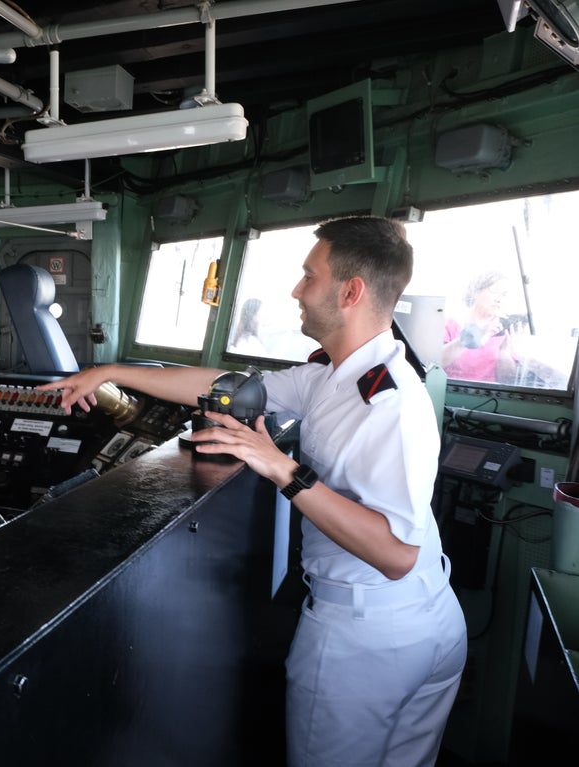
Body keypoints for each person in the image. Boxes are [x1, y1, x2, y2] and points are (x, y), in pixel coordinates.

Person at [41, 217, 467, 767]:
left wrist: (280, 468)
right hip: (421, 621)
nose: (296, 290)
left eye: (308, 276)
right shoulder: (335, 377)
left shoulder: (389, 402)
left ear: (350, 291)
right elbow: (223, 387)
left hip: (366, 639)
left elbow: (395, 554)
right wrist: (107, 372)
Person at [441, 271, 523, 383]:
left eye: (503, 294)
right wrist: (467, 340)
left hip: (490, 398)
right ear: (476, 291)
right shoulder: (450, 325)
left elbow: (507, 381)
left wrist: (504, 351)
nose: (499, 299)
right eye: (495, 292)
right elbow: (434, 363)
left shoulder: (504, 331)